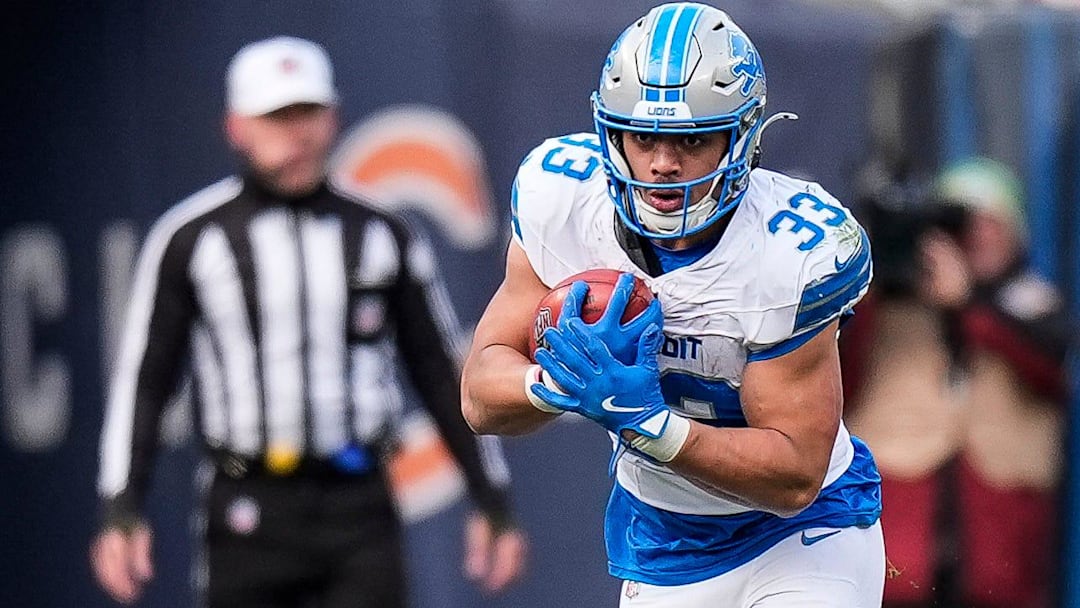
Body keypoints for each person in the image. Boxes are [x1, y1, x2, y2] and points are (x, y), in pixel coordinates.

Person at [462, 3, 883, 606]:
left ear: (741, 137)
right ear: (612, 134)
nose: (663, 164)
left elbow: (795, 474)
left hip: (802, 533)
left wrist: (648, 424)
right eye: (644, 137)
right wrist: (552, 382)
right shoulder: (563, 202)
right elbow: (479, 394)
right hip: (665, 540)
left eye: (692, 139)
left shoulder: (790, 251)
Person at [90, 36, 526, 607]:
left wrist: (491, 499)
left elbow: (440, 370)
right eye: (277, 115)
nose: (297, 132)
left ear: (334, 117)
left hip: (358, 505)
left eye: (308, 112)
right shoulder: (192, 237)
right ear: (236, 126)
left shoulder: (382, 232)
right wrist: (121, 507)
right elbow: (144, 381)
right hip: (245, 506)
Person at [915, 158, 1067, 607]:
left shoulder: (1036, 305)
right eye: (965, 222)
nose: (980, 234)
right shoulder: (899, 314)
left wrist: (967, 306)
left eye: (993, 221)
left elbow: (1050, 365)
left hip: (1002, 562)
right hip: (906, 561)